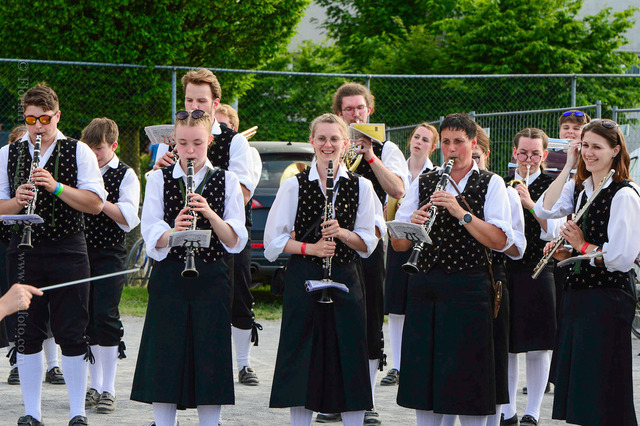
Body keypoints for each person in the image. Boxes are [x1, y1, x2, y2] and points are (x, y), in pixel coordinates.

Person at [392, 113, 514, 426]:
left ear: (473, 144)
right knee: (425, 379)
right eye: (446, 142)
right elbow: (398, 245)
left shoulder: (491, 183)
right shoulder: (425, 181)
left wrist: (461, 213)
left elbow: (500, 240)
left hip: (470, 289)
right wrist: (413, 223)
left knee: (469, 379)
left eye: (458, 142)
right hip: (426, 288)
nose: (451, 149)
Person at [131, 109, 247, 426]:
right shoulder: (158, 178)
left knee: (210, 358)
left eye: (197, 143)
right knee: (165, 357)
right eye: (183, 143)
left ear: (209, 141)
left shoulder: (227, 179)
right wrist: (174, 231)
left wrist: (209, 213)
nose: (190, 151)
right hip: (170, 277)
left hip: (212, 277)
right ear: (174, 143)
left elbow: (234, 240)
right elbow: (150, 232)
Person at [0, 83, 106, 426]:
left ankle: (77, 412)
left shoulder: (79, 151)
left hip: (68, 248)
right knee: (26, 331)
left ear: (57, 116)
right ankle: (32, 412)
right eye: (31, 119)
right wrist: (16, 202)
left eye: (45, 119)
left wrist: (56, 187)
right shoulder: (8, 152)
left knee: (72, 330)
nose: (38, 127)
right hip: (23, 250)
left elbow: (95, 204)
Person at [264, 113, 379, 426]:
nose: (328, 145)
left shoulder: (362, 186)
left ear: (345, 144)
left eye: (334, 139)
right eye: (322, 139)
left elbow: (367, 243)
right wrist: (310, 248)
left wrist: (342, 233)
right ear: (312, 142)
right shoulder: (294, 185)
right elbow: (273, 242)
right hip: (304, 276)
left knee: (350, 359)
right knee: (302, 360)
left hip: (345, 276)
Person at [155, 70, 262, 386]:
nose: (194, 107)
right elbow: (160, 191)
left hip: (225, 230)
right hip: (181, 231)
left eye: (201, 101)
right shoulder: (174, 137)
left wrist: (210, 197)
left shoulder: (235, 141)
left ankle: (242, 363)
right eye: (189, 100)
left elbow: (243, 192)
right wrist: (161, 168)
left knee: (238, 295)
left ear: (215, 104)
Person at [535, 118, 640, 426]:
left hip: (608, 299)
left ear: (615, 151)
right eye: (585, 146)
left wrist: (580, 245)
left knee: (603, 391)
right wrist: (569, 164)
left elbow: (620, 258)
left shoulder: (624, 194)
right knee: (584, 393)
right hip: (581, 296)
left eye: (597, 147)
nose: (589, 153)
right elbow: (543, 209)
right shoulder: (582, 190)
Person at [316, 82, 408, 425]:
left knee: (369, 323)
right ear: (339, 113)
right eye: (348, 109)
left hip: (367, 244)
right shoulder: (332, 144)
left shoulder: (388, 148)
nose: (355, 114)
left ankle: (365, 400)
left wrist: (370, 155)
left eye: (360, 108)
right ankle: (336, 399)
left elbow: (398, 189)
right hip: (330, 242)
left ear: (370, 110)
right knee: (333, 321)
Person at [501, 128, 562, 426]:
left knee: (538, 345)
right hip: (506, 270)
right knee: (507, 344)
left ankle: (533, 411)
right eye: (523, 153)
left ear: (544, 155)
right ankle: (508, 410)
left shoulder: (552, 185)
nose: (528, 159)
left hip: (538, 269)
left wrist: (530, 203)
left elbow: (554, 231)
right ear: (514, 153)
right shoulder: (500, 183)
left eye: (535, 154)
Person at [80, 118, 141, 414]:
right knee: (86, 319)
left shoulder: (126, 174)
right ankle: (94, 385)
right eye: (89, 149)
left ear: (114, 146)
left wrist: (97, 199)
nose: (93, 155)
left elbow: (128, 218)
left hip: (109, 253)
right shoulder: (80, 169)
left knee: (106, 315)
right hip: (79, 252)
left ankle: (109, 388)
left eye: (99, 149)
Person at [2, 124, 65, 387]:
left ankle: (53, 364)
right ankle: (18, 360)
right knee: (14, 304)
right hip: (9, 241)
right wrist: (16, 201)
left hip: (39, 242)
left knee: (41, 304)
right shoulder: (7, 160)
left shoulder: (62, 155)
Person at [381, 123, 437, 388]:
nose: (419, 142)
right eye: (416, 137)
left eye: (425, 139)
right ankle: (397, 365)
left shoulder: (437, 174)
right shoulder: (395, 170)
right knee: (396, 305)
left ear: (432, 147)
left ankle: (417, 361)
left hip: (424, 246)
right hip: (398, 241)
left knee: (420, 302)